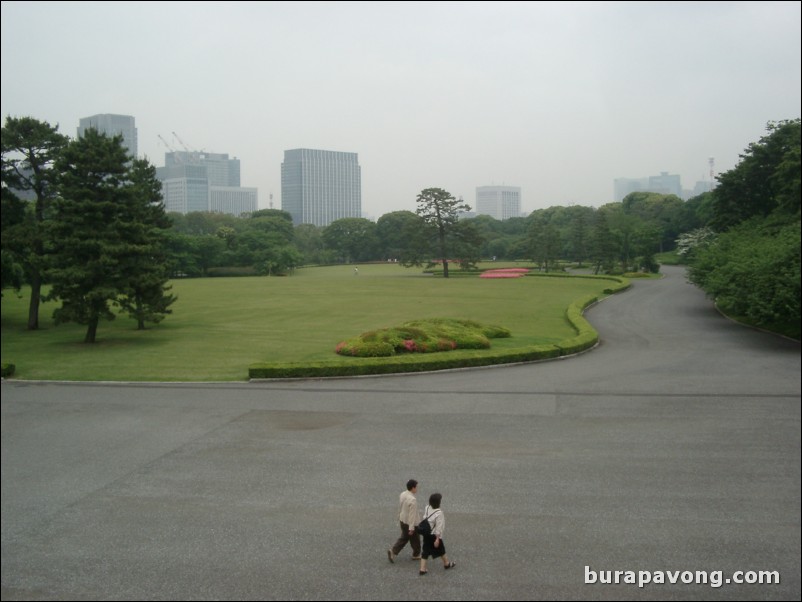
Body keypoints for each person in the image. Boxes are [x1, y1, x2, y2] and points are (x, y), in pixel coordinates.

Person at [419, 492, 455, 575]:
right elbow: (439, 527)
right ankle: (446, 564)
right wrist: (437, 539)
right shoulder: (439, 513)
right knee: (441, 549)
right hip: (434, 535)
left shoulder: (427, 507)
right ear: (438, 502)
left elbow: (425, 517)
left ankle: (422, 569)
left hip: (426, 532)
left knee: (425, 550)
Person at [387, 479, 421, 562]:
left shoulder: (403, 494)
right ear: (412, 488)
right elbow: (412, 515)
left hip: (403, 520)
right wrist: (411, 528)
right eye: (416, 487)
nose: (417, 489)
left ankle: (394, 551)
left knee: (405, 537)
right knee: (415, 539)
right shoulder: (413, 500)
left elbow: (400, 506)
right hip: (410, 523)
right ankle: (415, 554)